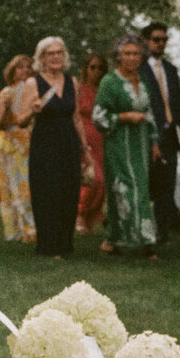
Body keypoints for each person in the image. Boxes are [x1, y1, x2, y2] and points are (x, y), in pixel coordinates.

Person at [20, 36, 91, 258]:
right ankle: (48, 246)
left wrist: (85, 148)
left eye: (59, 52)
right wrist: (33, 109)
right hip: (45, 144)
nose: (56, 57)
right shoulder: (33, 83)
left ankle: (64, 245)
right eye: (51, 54)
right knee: (47, 193)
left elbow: (77, 117)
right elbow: (21, 120)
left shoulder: (72, 82)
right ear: (42, 58)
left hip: (68, 142)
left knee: (69, 193)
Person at [94, 35, 160, 259]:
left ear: (142, 57)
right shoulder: (109, 82)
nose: (131, 58)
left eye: (136, 54)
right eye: (127, 53)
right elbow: (99, 117)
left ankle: (114, 239)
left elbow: (149, 114)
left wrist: (154, 141)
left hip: (140, 145)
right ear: (118, 56)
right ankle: (143, 241)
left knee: (140, 189)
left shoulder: (142, 81)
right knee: (124, 190)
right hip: (118, 144)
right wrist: (123, 116)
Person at [141, 21, 180, 243]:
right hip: (148, 135)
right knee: (147, 183)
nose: (161, 43)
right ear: (146, 41)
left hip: (170, 134)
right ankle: (141, 230)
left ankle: (162, 233)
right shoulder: (140, 69)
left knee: (167, 184)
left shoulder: (170, 70)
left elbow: (179, 103)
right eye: (156, 39)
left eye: (164, 40)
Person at [0, 54, 36, 243]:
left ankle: (32, 227)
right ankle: (21, 229)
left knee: (31, 185)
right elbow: (1, 123)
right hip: (12, 144)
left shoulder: (35, 90)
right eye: (20, 67)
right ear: (13, 71)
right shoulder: (6, 93)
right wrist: (7, 109)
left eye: (28, 67)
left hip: (31, 140)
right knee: (17, 186)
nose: (25, 71)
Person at [76, 53, 108, 234]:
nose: (96, 71)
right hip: (85, 138)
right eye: (92, 67)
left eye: (100, 68)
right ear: (86, 69)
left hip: (103, 139)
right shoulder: (78, 88)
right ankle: (79, 214)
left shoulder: (105, 89)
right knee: (93, 179)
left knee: (103, 184)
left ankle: (91, 217)